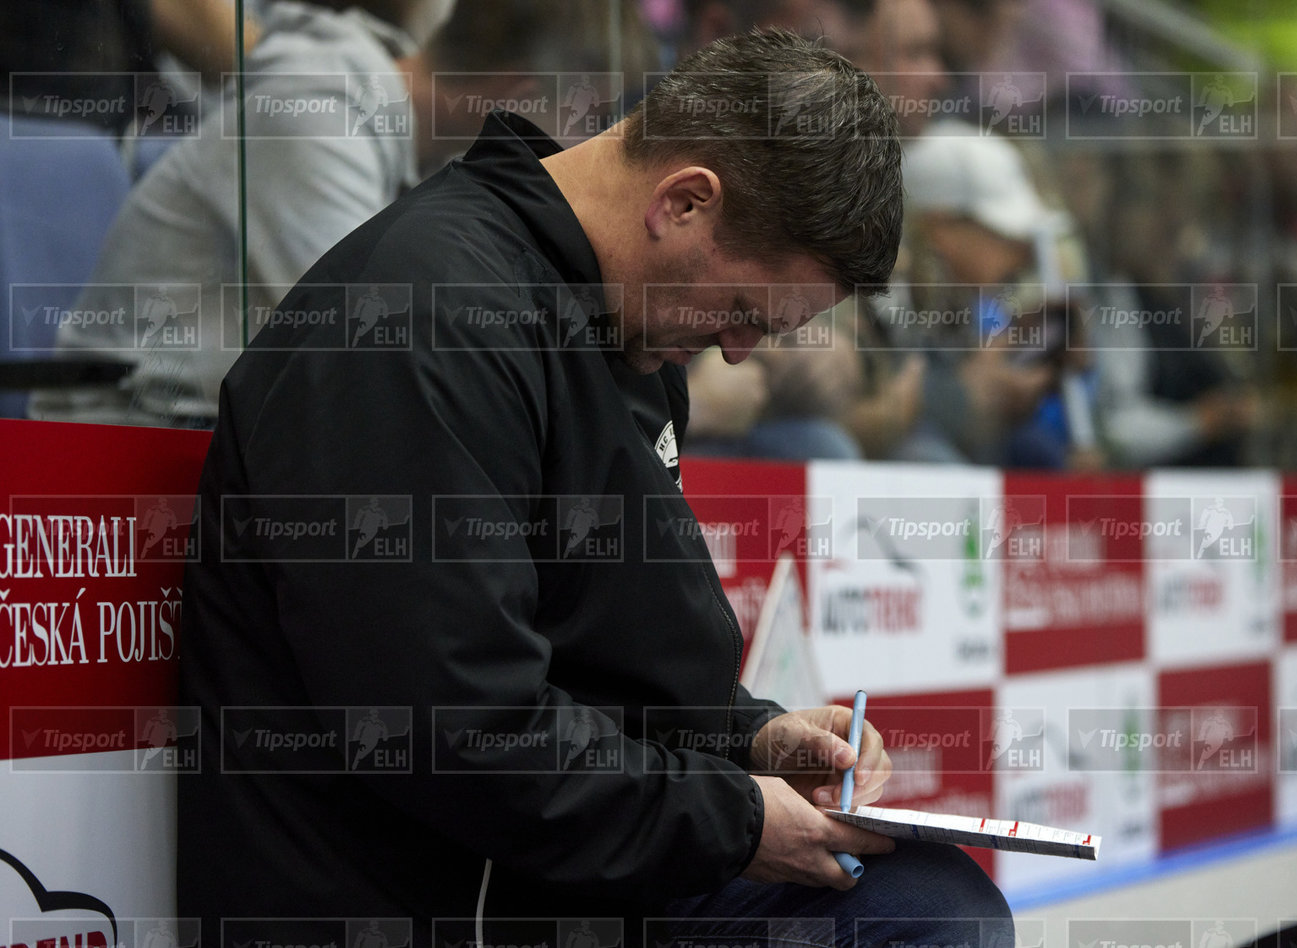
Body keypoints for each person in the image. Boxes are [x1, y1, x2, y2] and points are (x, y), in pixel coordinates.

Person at [178, 27, 1010, 948]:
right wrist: (736, 818)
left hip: (547, 876)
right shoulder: (423, 324)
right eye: (742, 314)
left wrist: (750, 742)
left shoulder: (614, 323)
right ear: (684, 201)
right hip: (421, 892)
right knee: (925, 922)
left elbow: (596, 667)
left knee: (931, 900)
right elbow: (456, 733)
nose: (738, 352)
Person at [28, 0, 456, 428]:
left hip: (222, 431)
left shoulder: (356, 106)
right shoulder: (311, 116)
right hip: (137, 437)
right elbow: (371, 362)